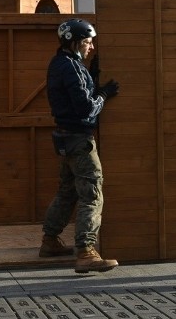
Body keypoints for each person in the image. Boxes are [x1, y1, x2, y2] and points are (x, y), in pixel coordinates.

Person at [39, 18, 120, 274]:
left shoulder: (61, 63)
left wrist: (92, 78)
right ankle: (86, 252)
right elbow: (86, 107)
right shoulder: (72, 67)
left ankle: (50, 241)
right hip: (79, 140)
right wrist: (104, 95)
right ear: (73, 43)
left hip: (64, 138)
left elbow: (76, 93)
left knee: (68, 191)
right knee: (92, 193)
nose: (91, 47)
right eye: (87, 42)